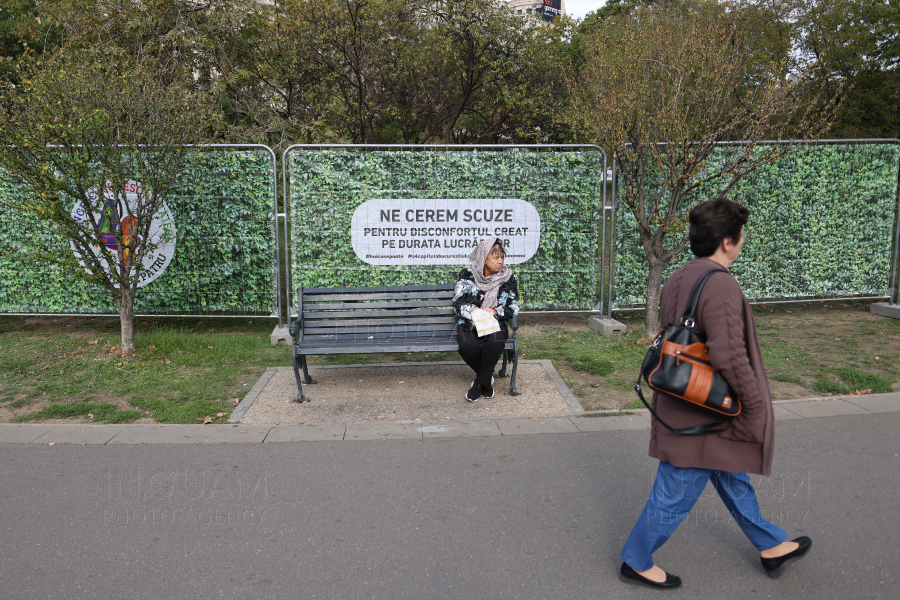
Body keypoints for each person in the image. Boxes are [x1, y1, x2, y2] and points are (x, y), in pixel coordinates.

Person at [619, 199, 812, 590]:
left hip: (683, 399)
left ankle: (771, 544)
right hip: (706, 409)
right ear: (727, 241)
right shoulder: (720, 283)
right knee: (676, 488)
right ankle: (636, 560)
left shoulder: (679, 276)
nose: (743, 242)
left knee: (729, 473)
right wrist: (755, 404)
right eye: (741, 237)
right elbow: (728, 355)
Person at [453, 237, 520, 402]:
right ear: (483, 258)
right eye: (495, 257)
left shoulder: (507, 276)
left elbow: (514, 304)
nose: (500, 261)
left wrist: (495, 311)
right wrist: (474, 310)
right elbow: (458, 301)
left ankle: (480, 383)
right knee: (467, 346)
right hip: (470, 323)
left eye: (502, 257)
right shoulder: (467, 274)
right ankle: (486, 376)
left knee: (495, 342)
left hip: (494, 322)